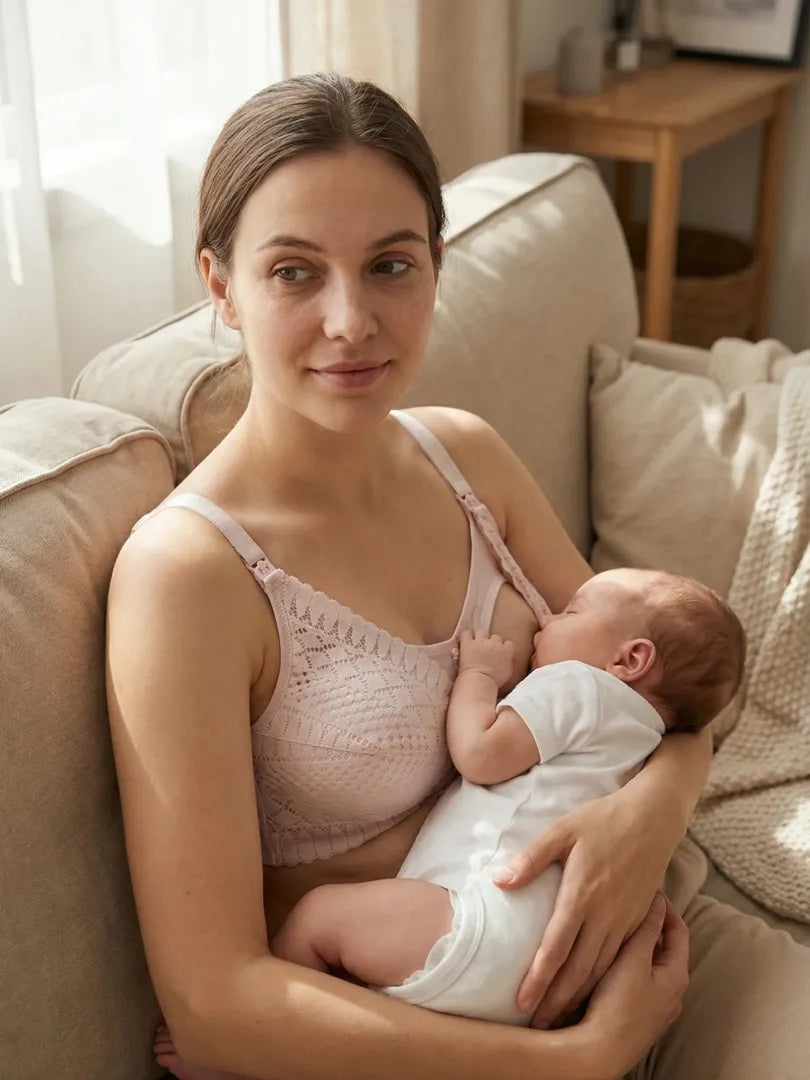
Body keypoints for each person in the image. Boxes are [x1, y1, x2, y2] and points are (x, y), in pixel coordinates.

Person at [105, 73, 810, 1080]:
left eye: (391, 264)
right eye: (295, 273)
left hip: (648, 946)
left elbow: (668, 694)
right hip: (434, 1038)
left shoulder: (466, 459)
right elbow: (216, 1006)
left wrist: (645, 817)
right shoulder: (188, 578)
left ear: (437, 266)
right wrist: (583, 1059)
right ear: (220, 286)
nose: (352, 321)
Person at [258, 568, 746, 1032]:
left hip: (474, 930)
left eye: (571, 613)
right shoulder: (646, 742)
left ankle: (252, 1045)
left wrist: (479, 676)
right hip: (549, 977)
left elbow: (481, 753)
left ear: (629, 661)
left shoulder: (581, 685)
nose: (548, 621)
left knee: (317, 917)